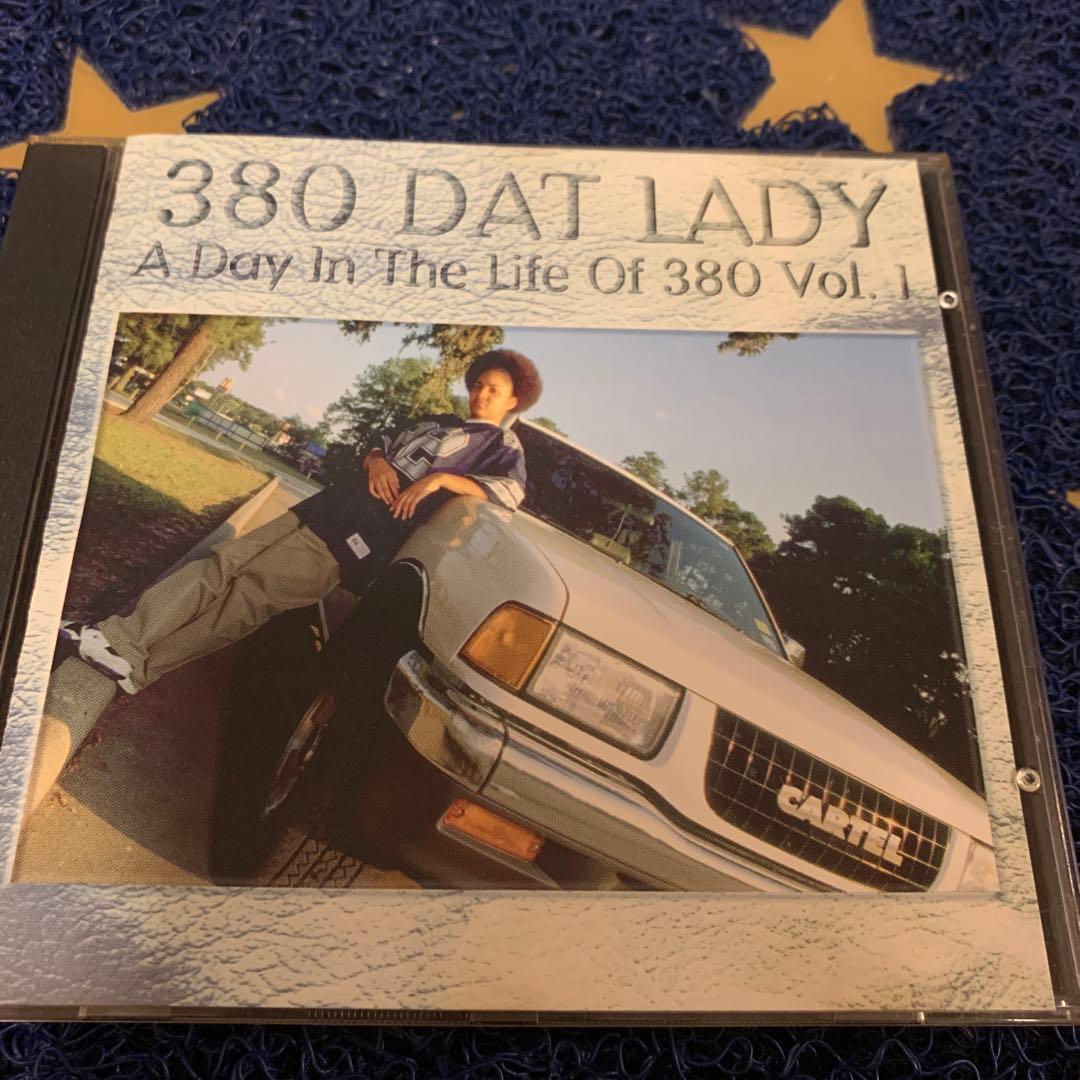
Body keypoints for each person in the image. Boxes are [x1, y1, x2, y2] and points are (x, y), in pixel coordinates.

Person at [56, 349, 542, 695]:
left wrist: (440, 481)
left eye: (493, 390)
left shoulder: (503, 449)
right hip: (326, 507)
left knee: (246, 600)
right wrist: (376, 460)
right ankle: (118, 638)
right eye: (478, 384)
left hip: (357, 540)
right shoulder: (439, 420)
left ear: (513, 400)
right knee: (222, 563)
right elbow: (377, 443)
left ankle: (140, 666)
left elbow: (508, 495)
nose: (481, 394)